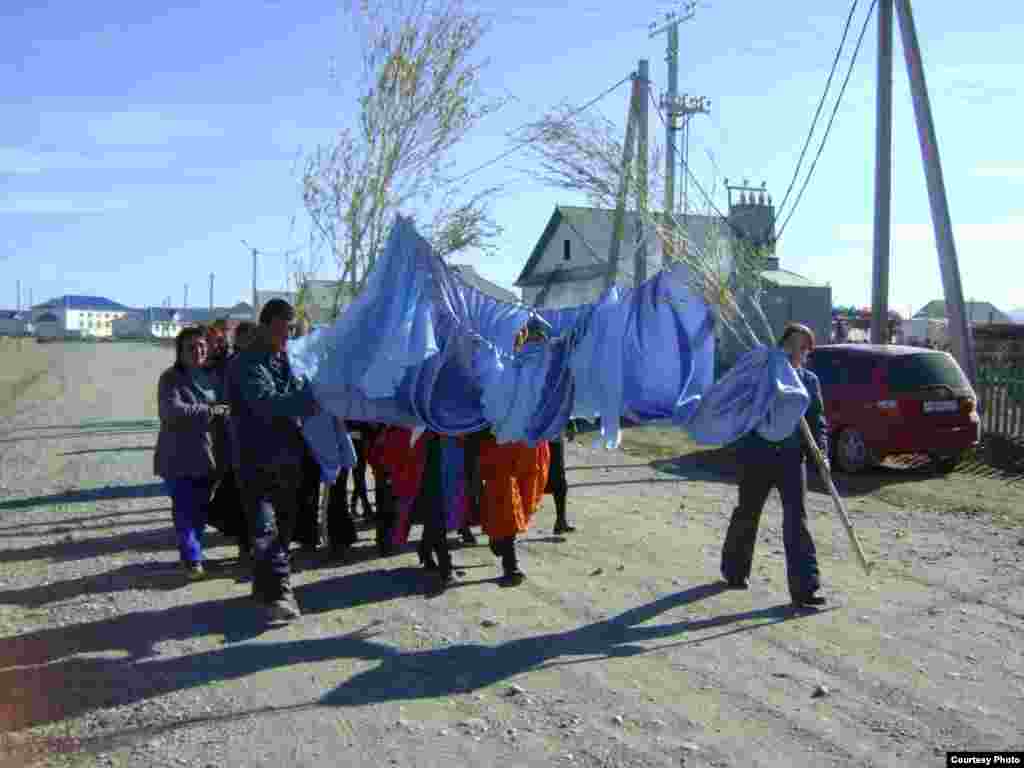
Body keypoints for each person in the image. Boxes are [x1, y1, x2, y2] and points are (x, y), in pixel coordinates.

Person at [720, 322, 830, 609]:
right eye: (794, 344)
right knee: (747, 512)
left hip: (792, 460)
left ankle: (805, 589)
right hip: (758, 455)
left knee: (797, 520)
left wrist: (822, 453)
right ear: (782, 345)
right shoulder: (765, 373)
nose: (798, 351)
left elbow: (818, 422)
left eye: (804, 347)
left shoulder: (809, 381)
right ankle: (734, 571)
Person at [228, 299, 319, 623]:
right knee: (265, 528)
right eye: (282, 330)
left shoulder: (286, 359)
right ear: (266, 326)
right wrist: (313, 398)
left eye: (291, 330)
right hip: (255, 460)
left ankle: (263, 588)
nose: (287, 336)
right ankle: (281, 592)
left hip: (287, 460)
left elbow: (299, 388)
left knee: (282, 531)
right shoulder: (245, 364)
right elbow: (268, 403)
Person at [153, 326, 230, 579]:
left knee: (198, 512)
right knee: (184, 510)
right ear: (180, 351)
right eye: (191, 347)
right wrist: (211, 410)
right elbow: (171, 411)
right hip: (178, 457)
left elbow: (227, 408)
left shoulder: (212, 377)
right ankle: (192, 559)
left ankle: (193, 553)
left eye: (201, 346)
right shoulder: (170, 378)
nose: (198, 351)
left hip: (208, 458)